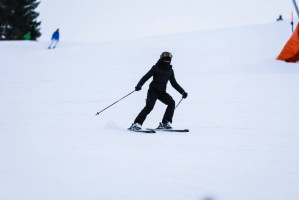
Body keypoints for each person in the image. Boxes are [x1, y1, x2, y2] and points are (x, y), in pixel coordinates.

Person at [130, 52, 188, 130]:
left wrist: (182, 92)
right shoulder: (156, 68)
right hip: (153, 91)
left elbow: (174, 83)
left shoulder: (170, 71)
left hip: (162, 92)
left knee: (171, 102)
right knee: (149, 107)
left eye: (169, 58)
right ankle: (137, 124)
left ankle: (165, 123)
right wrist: (139, 85)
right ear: (161, 58)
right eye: (165, 58)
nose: (167, 60)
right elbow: (146, 77)